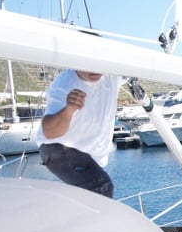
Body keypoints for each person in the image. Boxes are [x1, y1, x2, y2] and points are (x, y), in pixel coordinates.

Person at [36, 70, 123, 198]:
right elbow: (50, 132)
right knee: (100, 187)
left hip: (88, 153)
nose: (94, 69)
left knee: (96, 190)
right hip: (58, 148)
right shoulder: (65, 84)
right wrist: (69, 109)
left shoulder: (111, 74)